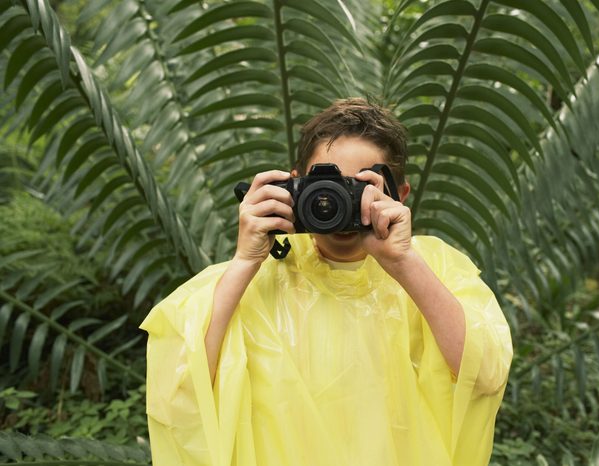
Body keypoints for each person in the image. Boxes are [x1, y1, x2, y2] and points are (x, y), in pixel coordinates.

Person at [140, 98, 513, 466]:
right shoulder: (247, 281)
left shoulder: (433, 268)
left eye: (360, 186)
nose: (335, 202)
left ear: (399, 195)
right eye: (328, 184)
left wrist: (403, 263)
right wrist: (244, 261)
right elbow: (178, 395)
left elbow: (484, 377)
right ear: (294, 186)